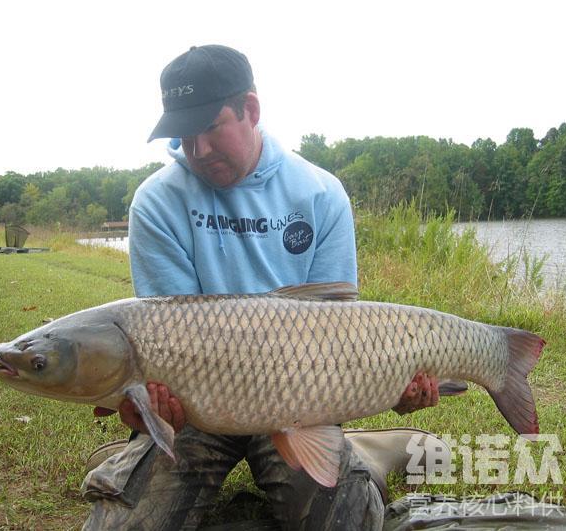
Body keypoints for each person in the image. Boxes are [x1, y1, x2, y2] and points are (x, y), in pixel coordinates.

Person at [83, 44, 441, 531]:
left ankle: (359, 452)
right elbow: (166, 338)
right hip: (200, 410)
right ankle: (143, 457)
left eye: (210, 127)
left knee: (346, 522)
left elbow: (338, 330)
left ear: (250, 109)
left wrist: (391, 385)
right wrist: (150, 409)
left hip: (303, 398)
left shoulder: (319, 192)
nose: (198, 149)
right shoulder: (156, 203)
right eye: (184, 134)